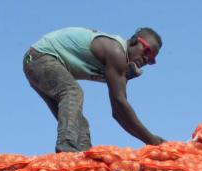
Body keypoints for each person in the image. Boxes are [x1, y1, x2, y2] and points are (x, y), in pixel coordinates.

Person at [24, 26, 164, 152]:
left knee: (81, 126)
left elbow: (118, 114)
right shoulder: (116, 52)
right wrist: (152, 140)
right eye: (146, 51)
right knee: (72, 93)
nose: (146, 59)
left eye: (151, 60)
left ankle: (84, 157)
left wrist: (149, 140)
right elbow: (119, 106)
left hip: (35, 63)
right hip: (39, 58)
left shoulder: (119, 65)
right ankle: (66, 147)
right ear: (134, 41)